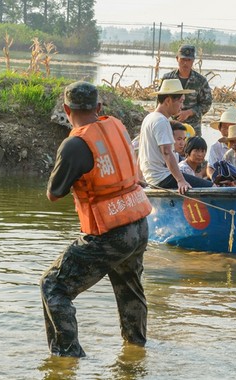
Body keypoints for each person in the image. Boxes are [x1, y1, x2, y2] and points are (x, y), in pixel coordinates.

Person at [41, 81, 153, 357]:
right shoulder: (117, 127)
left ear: (67, 109)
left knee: (53, 285)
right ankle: (135, 351)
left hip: (110, 233)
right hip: (138, 223)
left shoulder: (74, 145)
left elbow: (54, 194)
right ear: (99, 107)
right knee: (130, 288)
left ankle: (67, 358)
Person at [138, 79, 213, 194]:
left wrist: (139, 178)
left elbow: (141, 153)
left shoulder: (149, 118)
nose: (182, 106)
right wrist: (180, 180)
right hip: (162, 177)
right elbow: (167, 152)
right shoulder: (161, 121)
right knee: (211, 187)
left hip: (152, 178)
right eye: (180, 101)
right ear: (168, 100)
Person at [162, 44, 213, 136]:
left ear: (193, 61)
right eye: (183, 59)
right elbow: (160, 102)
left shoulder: (201, 81)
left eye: (189, 60)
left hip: (193, 128)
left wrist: (189, 112)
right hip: (171, 126)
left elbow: (207, 104)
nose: (185, 63)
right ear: (177, 59)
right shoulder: (167, 79)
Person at [206, 110, 236, 179]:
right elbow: (210, 167)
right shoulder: (215, 147)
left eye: (231, 128)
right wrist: (214, 178)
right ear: (220, 129)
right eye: (225, 127)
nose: (228, 130)